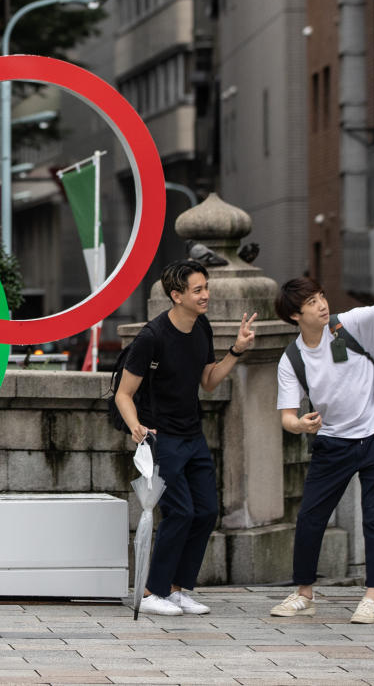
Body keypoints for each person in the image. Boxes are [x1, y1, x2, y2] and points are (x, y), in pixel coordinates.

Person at [269, 251, 374, 624]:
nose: (322, 306)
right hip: (332, 442)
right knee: (311, 517)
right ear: (295, 316)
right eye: (311, 303)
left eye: (321, 297)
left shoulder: (352, 325)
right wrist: (302, 425)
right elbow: (286, 417)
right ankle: (304, 594)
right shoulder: (291, 359)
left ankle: (372, 597)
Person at [115, 259, 257, 616]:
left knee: (206, 511)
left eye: (206, 287)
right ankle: (150, 593)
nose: (206, 295)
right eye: (198, 290)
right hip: (163, 439)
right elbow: (123, 393)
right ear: (176, 295)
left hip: (193, 436)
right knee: (180, 511)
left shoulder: (201, 327)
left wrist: (237, 350)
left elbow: (208, 381)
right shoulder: (152, 337)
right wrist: (136, 426)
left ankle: (176, 590)